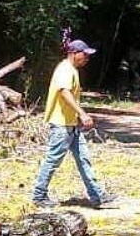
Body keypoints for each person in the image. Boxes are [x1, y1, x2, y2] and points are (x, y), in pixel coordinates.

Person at [32, 39, 118, 208]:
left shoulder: (72, 70)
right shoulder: (65, 69)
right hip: (61, 125)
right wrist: (82, 114)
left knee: (83, 159)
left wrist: (77, 118)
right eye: (84, 54)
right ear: (73, 53)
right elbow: (64, 93)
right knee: (53, 160)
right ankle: (39, 196)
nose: (87, 58)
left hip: (71, 125)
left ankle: (97, 195)